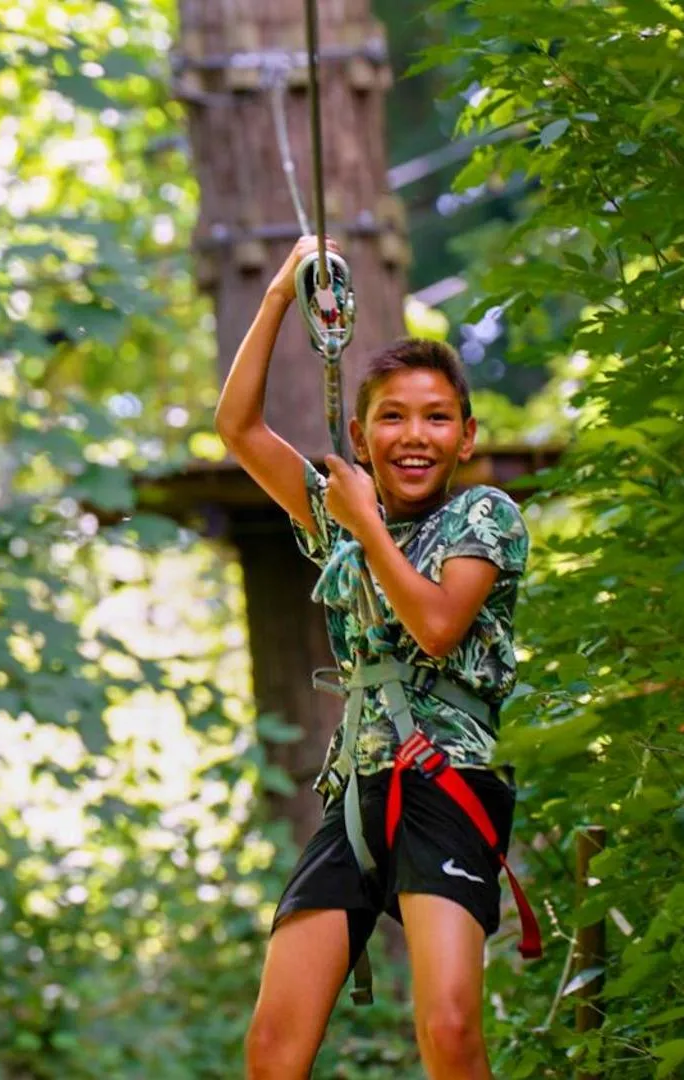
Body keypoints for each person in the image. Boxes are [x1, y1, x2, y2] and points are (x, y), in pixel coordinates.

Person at [216, 237, 533, 1080]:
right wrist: (281, 291)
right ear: (359, 433)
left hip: (448, 785)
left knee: (450, 1027)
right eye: (391, 417)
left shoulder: (485, 518)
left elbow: (434, 628)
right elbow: (238, 428)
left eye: (435, 418)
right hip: (358, 787)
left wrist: (360, 525)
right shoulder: (338, 511)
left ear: (465, 437)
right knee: (273, 1048)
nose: (413, 435)